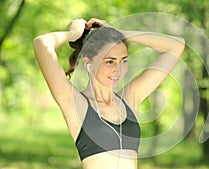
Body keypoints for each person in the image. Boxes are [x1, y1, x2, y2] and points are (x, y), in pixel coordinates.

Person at [33, 18, 185, 169]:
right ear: (88, 63)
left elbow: (176, 46)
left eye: (123, 61)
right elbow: (42, 43)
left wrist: (120, 34)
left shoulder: (129, 99)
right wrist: (74, 33)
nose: (118, 70)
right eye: (110, 61)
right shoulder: (76, 104)